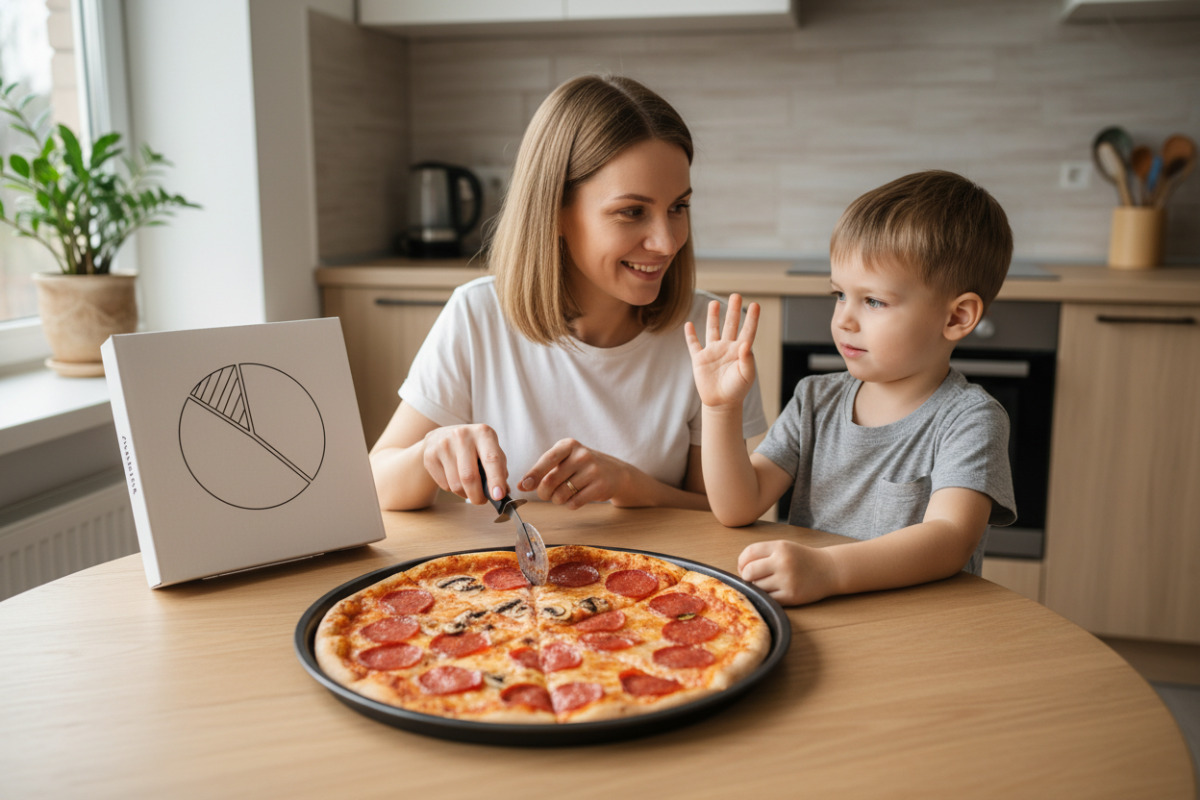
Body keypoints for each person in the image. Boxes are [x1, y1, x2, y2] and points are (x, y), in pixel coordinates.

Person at [370, 74, 766, 512]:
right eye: (632, 212)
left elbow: (720, 515)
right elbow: (377, 484)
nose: (667, 242)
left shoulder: (710, 339)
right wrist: (429, 450)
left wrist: (630, 484)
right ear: (555, 210)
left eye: (678, 207)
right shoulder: (476, 314)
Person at [686, 170, 1017, 606]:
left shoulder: (970, 419)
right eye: (839, 294)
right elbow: (737, 506)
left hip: (921, 630)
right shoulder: (813, 400)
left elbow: (950, 539)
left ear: (956, 317)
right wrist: (719, 410)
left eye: (874, 301)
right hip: (821, 610)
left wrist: (828, 570)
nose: (844, 318)